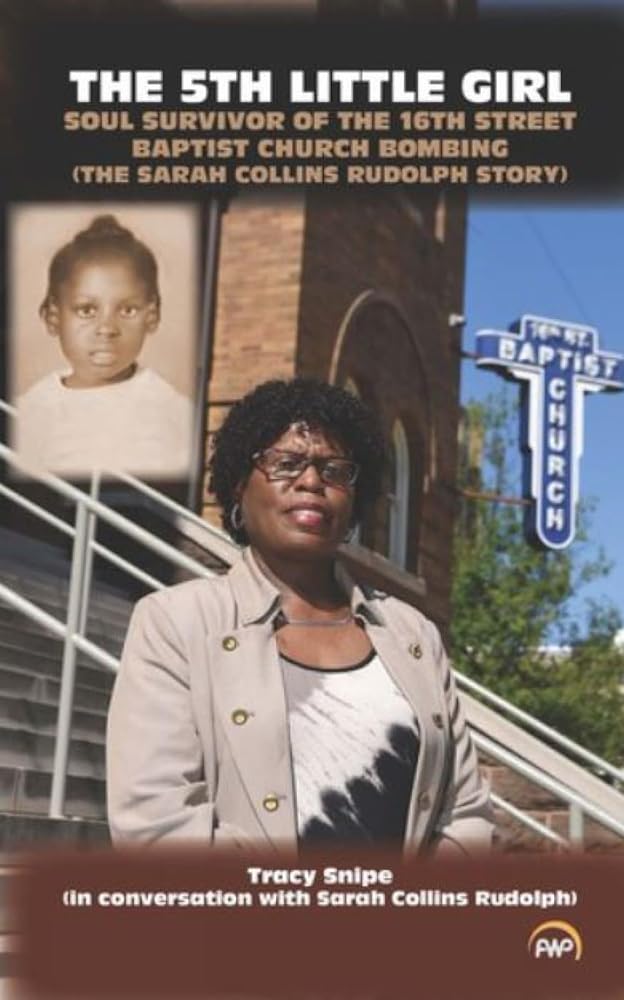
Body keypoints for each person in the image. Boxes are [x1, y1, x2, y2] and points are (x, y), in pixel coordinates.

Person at [107, 378, 493, 854]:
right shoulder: (176, 624)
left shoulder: (411, 634)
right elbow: (154, 826)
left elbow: (467, 815)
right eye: (285, 464)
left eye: (334, 470)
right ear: (237, 489)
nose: (311, 482)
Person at [15, 214, 192, 478]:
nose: (107, 328)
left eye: (128, 310)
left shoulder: (173, 411)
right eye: (86, 310)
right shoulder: (30, 411)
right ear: (54, 316)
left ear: (151, 315)